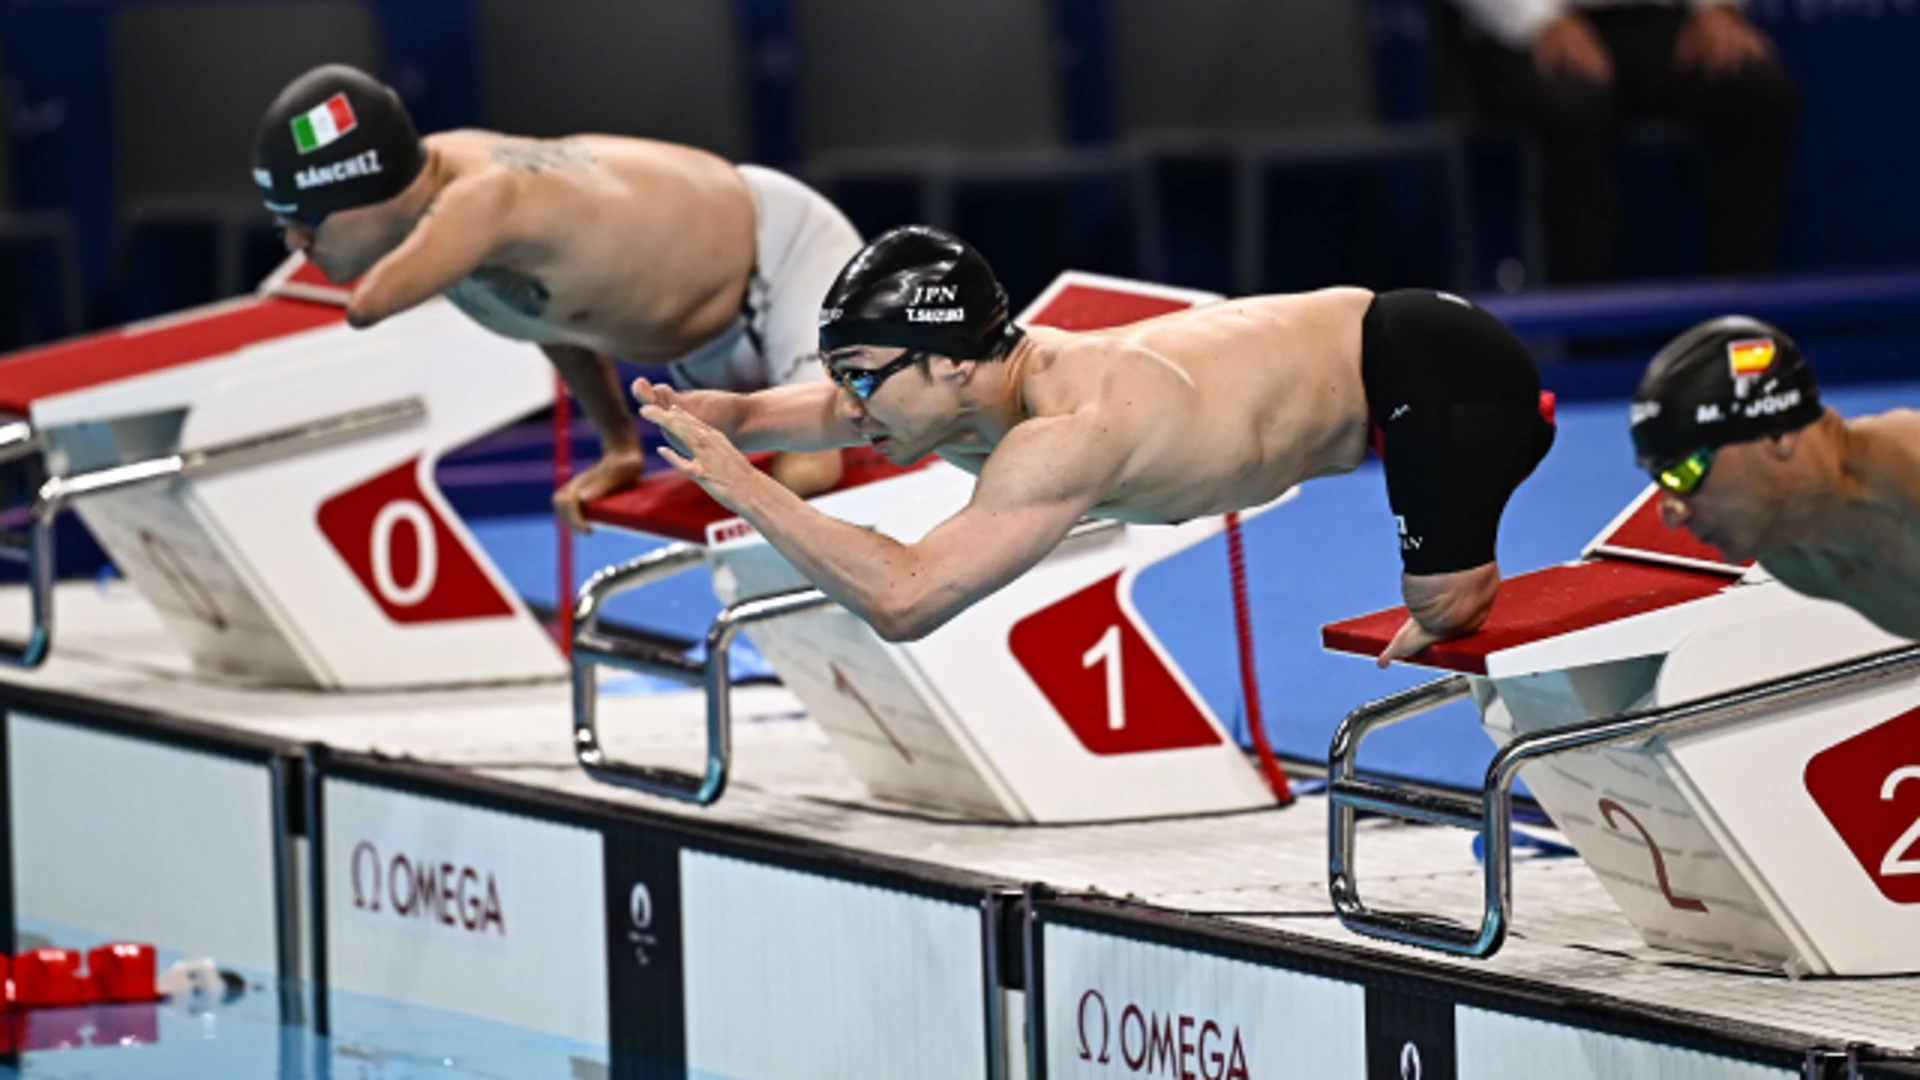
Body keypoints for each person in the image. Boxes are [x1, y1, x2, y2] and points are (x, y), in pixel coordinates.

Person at [635, 226, 1556, 664]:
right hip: (1376, 375)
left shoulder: (1064, 435)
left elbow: (905, 598)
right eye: (843, 372)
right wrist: (734, 418)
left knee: (1445, 603)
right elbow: (814, 414)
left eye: (864, 373)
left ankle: (1466, 534)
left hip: (1437, 373)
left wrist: (746, 491)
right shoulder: (946, 389)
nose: (848, 400)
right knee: (1442, 608)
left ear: (954, 362)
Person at [251, 64, 862, 530]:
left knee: (810, 470)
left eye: (307, 217)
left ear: (370, 193)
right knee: (766, 480)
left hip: (783, 258)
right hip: (713, 330)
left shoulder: (480, 200)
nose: (296, 240)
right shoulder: (452, 226)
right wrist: (620, 447)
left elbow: (368, 306)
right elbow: (554, 318)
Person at [1452, 0, 1796, 283]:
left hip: (1661, 23)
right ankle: (1591, 343)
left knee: (1759, 98)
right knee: (1577, 110)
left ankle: (1735, 331)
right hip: (1523, 32)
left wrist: (1717, 9)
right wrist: (1540, 22)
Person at [1630, 316, 1920, 639]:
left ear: (1777, 433)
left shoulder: (1910, 477)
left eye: (1686, 471)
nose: (1671, 513)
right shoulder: (1790, 556)